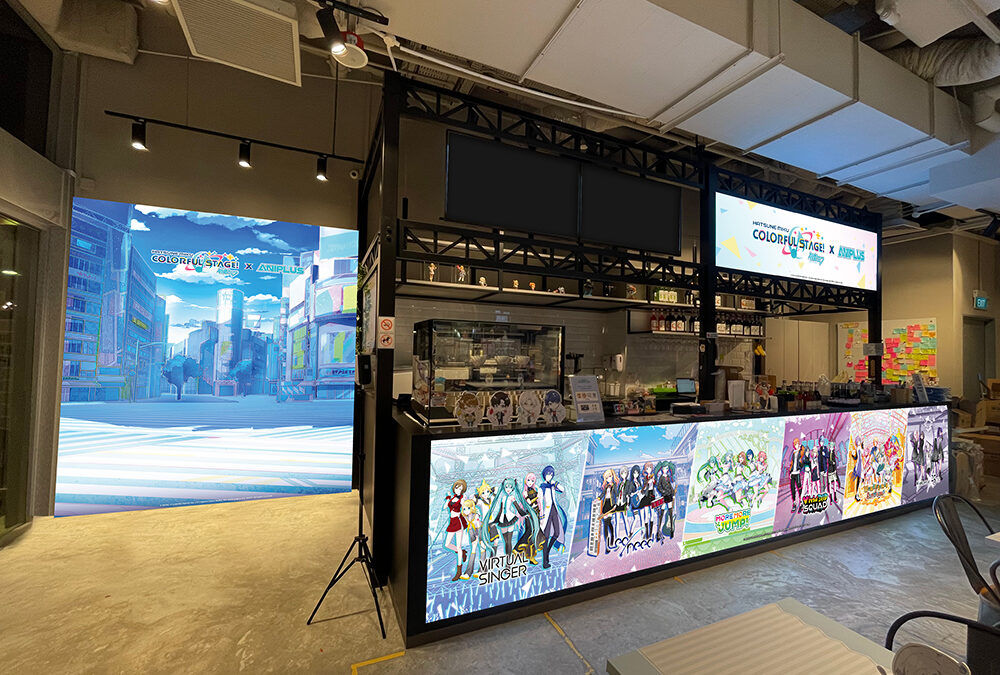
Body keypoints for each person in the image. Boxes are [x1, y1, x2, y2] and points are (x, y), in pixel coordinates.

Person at [538, 465, 567, 569]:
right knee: (545, 537)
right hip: (547, 512)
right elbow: (539, 501)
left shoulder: (553, 485)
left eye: (551, 474)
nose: (549, 476)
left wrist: (555, 483)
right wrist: (541, 513)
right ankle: (545, 561)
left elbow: (562, 489)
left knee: (557, 533)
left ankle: (547, 552)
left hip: (554, 511)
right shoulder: (542, 487)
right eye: (547, 474)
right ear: (544, 475)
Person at [443, 480, 468, 581]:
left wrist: (464, 501)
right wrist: (448, 498)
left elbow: (465, 508)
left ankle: (459, 571)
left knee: (458, 546)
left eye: (460, 489)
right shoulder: (452, 498)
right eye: (457, 488)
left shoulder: (461, 499)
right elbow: (445, 507)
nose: (458, 490)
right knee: (447, 544)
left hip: (458, 522)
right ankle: (461, 552)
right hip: (452, 522)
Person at [598, 469, 617, 553]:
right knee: (607, 525)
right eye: (607, 477)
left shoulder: (614, 485)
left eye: (609, 476)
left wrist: (616, 504)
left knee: (607, 523)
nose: (608, 478)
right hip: (605, 505)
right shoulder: (606, 486)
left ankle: (610, 543)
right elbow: (603, 494)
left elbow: (616, 495)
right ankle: (608, 545)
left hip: (611, 505)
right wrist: (598, 498)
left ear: (612, 476)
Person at [788, 439, 804, 513]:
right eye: (795, 444)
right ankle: (794, 503)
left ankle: (801, 503)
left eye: (797, 444)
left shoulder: (800, 452)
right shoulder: (794, 453)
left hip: (797, 473)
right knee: (792, 489)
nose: (796, 445)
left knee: (799, 488)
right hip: (793, 473)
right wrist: (790, 472)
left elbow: (803, 451)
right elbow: (792, 463)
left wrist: (801, 446)